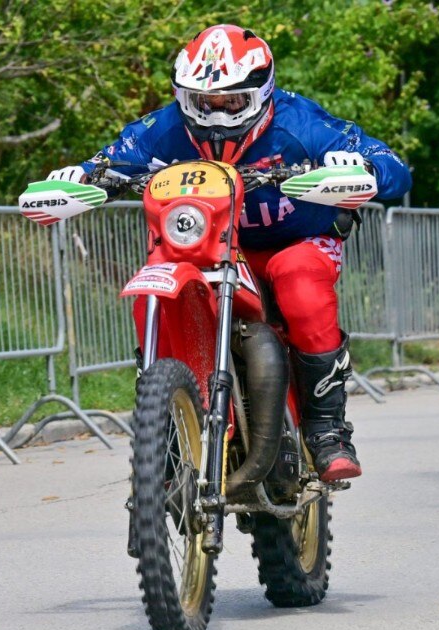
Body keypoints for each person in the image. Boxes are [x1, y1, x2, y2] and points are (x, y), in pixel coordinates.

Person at [46, 24, 412, 481]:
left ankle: (326, 430)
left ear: (261, 92)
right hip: (210, 249)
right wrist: (78, 178)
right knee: (152, 285)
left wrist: (363, 168)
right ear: (183, 96)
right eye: (204, 102)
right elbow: (114, 158)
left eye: (232, 101)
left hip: (297, 242)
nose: (216, 113)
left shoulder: (300, 124)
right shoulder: (164, 130)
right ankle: (164, 421)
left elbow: (394, 165)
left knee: (299, 282)